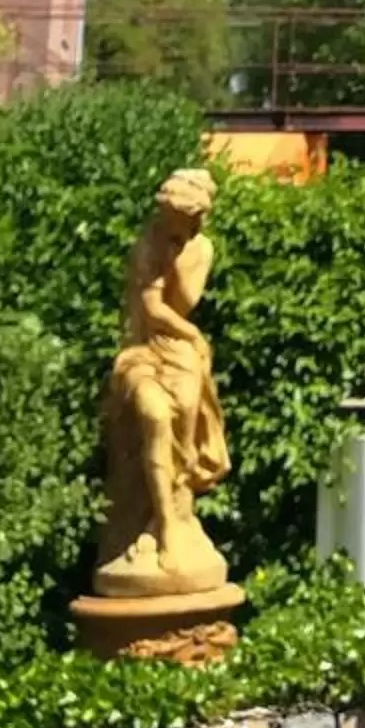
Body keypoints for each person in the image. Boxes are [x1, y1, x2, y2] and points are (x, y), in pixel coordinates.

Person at [94, 166, 232, 597]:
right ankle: (167, 525)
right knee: (155, 413)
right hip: (145, 350)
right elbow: (153, 310)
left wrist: (179, 256)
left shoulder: (200, 248)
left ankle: (176, 499)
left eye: (177, 217)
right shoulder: (145, 246)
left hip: (181, 351)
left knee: (189, 404)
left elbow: (186, 300)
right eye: (166, 215)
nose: (168, 222)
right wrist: (191, 333)